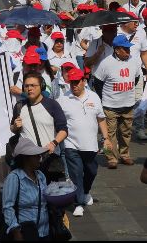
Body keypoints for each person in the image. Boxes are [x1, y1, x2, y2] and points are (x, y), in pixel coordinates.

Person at [57, 67, 112, 217]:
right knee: (75, 174)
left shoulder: (94, 97)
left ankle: (86, 192)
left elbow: (101, 118)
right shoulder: (63, 99)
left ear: (84, 81)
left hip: (90, 145)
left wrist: (106, 138)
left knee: (91, 171)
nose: (74, 85)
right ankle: (78, 203)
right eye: (71, 82)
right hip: (70, 144)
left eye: (76, 82)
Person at [10, 72, 68, 181]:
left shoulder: (52, 105)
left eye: (33, 85)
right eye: (26, 86)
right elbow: (12, 129)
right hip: (27, 160)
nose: (29, 89)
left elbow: (63, 130)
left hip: (49, 158)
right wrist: (15, 127)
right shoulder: (19, 106)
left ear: (41, 87)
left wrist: (53, 143)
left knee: (52, 193)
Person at [96, 34, 140, 169]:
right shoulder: (106, 63)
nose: (128, 52)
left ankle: (125, 155)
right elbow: (98, 83)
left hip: (128, 105)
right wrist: (106, 99)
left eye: (129, 49)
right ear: (117, 50)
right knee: (108, 135)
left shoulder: (134, 61)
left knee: (126, 133)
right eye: (125, 49)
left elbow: (136, 78)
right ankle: (111, 158)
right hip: (110, 106)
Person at [1, 137, 50, 240]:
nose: (39, 158)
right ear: (26, 158)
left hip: (44, 232)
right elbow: (7, 207)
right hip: (25, 233)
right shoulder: (14, 178)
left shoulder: (41, 176)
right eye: (36, 156)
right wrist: (16, 231)